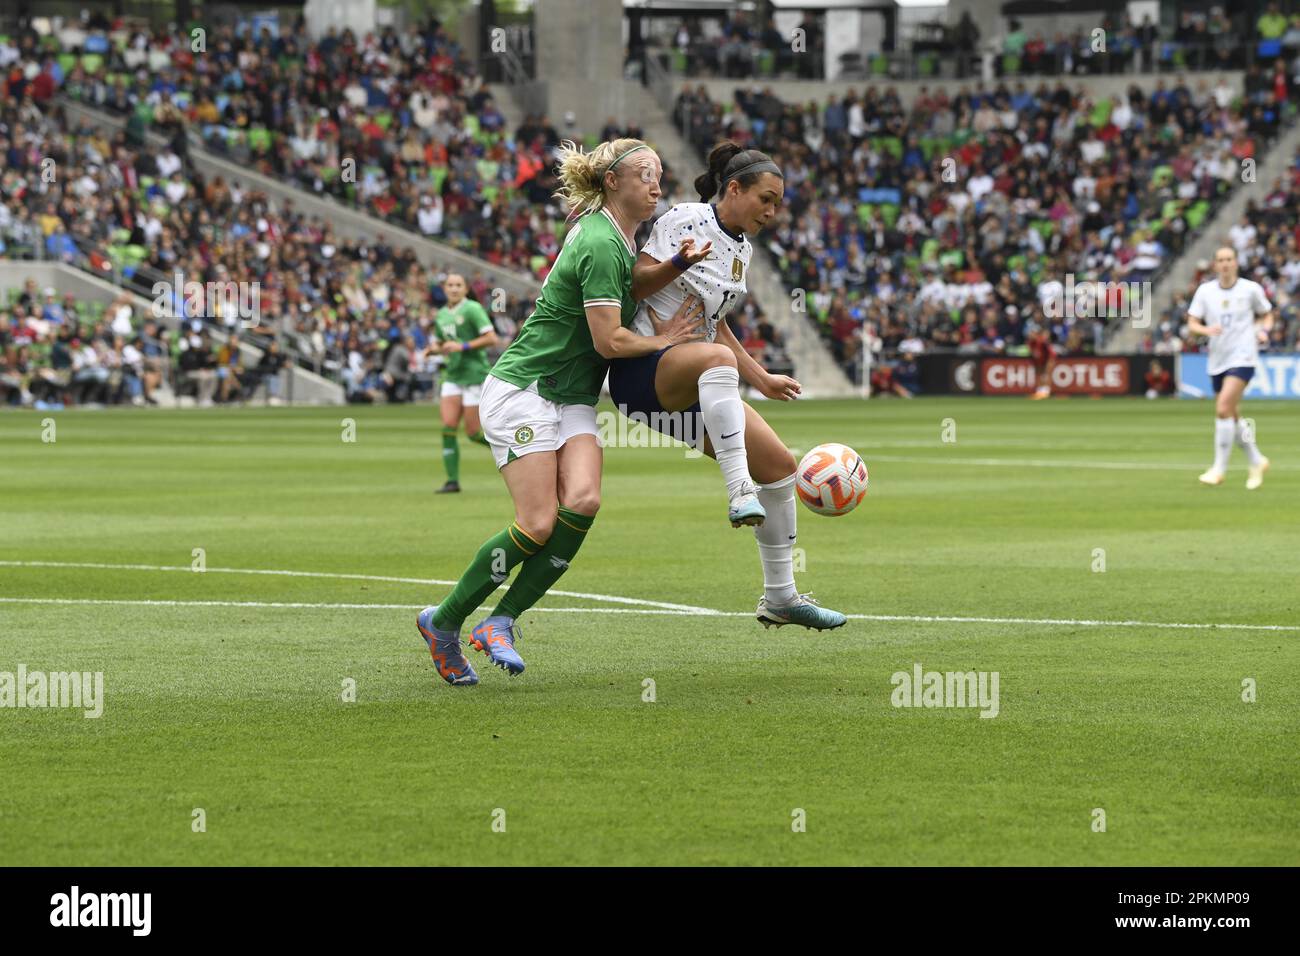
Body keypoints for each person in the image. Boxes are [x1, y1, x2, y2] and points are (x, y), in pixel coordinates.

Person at [416, 138, 709, 685]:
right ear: (614, 181)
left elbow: (630, 284)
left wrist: (672, 265)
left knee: (584, 499)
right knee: (538, 522)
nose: (657, 184)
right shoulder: (601, 239)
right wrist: (665, 340)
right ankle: (445, 621)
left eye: (660, 173)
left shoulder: (617, 235)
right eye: (646, 173)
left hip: (572, 394)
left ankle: (500, 619)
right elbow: (610, 342)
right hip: (527, 386)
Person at [608, 142, 847, 631]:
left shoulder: (743, 250)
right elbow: (634, 284)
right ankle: (739, 490)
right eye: (766, 199)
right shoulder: (684, 218)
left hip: (696, 374)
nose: (772, 211)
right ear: (733, 189)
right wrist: (678, 264)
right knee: (717, 362)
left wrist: (761, 377)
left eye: (778, 203)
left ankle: (781, 597)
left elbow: (712, 324)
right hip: (642, 372)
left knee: (780, 468)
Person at [1187, 247, 1273, 489]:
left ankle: (1218, 469)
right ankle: (1256, 459)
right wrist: (1206, 330)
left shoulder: (1250, 289)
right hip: (1217, 358)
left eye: (1229, 259)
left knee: (1223, 407)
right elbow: (1192, 322)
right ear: (1215, 265)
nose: (1225, 264)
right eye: (1221, 260)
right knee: (1233, 416)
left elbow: (1267, 314)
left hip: (1243, 356)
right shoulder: (1205, 291)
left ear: (1236, 263)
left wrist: (1264, 331)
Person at [425, 273, 500, 493]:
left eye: (458, 285)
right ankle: (452, 481)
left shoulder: (473, 309)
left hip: (474, 374)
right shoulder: (441, 315)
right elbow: (443, 343)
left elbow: (491, 338)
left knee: (473, 432)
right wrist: (434, 350)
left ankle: (510, 449)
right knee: (447, 427)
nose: (454, 289)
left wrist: (463, 347)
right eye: (450, 285)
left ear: (465, 289)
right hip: (452, 375)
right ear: (444, 289)